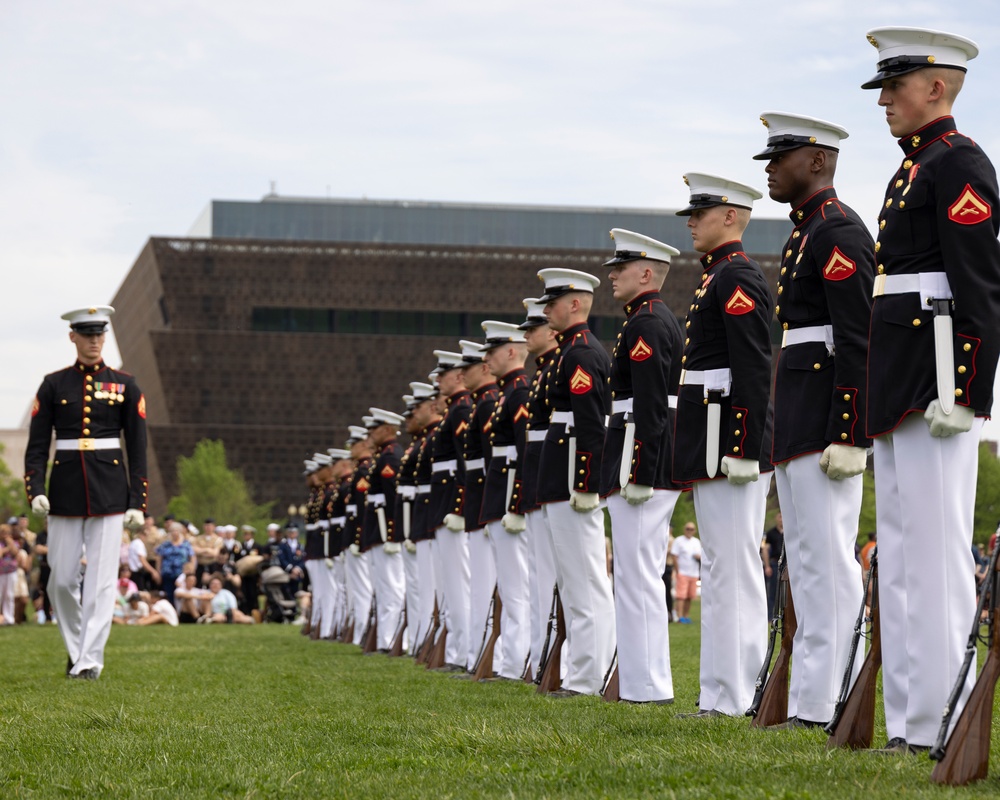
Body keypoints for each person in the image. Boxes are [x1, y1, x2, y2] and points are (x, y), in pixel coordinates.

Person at [861, 27, 1000, 754]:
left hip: (937, 379)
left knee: (939, 553)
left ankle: (944, 717)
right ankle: (911, 722)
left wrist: (969, 391)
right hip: (902, 375)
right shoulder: (914, 169)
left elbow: (980, 286)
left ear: (936, 88)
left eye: (896, 86)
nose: (884, 100)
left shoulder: (958, 163)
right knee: (906, 552)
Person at [752, 111, 875, 728]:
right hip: (799, 411)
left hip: (826, 413)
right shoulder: (805, 234)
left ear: (819, 161)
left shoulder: (838, 232)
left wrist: (850, 431)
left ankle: (834, 698)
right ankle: (810, 699)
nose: (770, 169)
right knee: (804, 557)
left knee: (828, 560)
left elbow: (858, 337)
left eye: (781, 158)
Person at [673, 174, 773, 717]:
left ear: (731, 216)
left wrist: (744, 447)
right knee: (718, 567)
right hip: (710, 435)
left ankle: (736, 695)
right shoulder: (717, 277)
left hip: (727, 440)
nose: (691, 222)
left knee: (732, 567)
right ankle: (717, 690)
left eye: (701, 213)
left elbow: (754, 368)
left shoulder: (736, 277)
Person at [24, 305, 147, 679]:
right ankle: (78, 649)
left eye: (99, 335)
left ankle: (90, 661)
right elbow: (37, 446)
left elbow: (138, 447)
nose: (94, 341)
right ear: (72, 336)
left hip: (110, 490)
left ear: (104, 338)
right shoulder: (53, 384)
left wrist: (137, 502)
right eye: (87, 334)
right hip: (64, 491)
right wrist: (35, 490)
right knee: (60, 579)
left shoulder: (125, 384)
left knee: (100, 581)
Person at [600, 229, 686, 704]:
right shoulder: (644, 320)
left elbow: (651, 406)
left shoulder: (648, 324)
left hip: (643, 460)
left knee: (638, 574)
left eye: (622, 267)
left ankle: (647, 686)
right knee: (634, 574)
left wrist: (639, 470)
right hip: (640, 455)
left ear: (647, 273)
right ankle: (638, 681)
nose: (612, 275)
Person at [535, 267, 616, 697]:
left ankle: (587, 677)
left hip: (572, 480)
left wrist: (585, 484)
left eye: (552, 302)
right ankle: (584, 672)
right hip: (561, 477)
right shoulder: (569, 352)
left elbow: (590, 426)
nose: (546, 309)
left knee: (585, 582)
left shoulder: (582, 353)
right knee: (575, 581)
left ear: (575, 304)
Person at [505, 298, 560, 681]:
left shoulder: (558, 368)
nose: (527, 336)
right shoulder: (543, 373)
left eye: (533, 328)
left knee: (550, 579)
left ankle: (552, 660)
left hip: (554, 482)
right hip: (540, 485)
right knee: (537, 580)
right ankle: (541, 659)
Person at [480, 321, 532, 681]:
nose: (486, 360)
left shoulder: (518, 393)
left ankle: (516, 664)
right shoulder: (506, 394)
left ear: (512, 351)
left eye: (492, 351)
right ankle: (509, 661)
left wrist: (515, 504)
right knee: (510, 588)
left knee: (517, 590)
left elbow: (523, 453)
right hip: (499, 498)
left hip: (508, 500)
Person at [427, 350, 473, 672]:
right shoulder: (453, 411)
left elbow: (463, 462)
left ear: (458, 376)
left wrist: (458, 507)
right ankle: (457, 650)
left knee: (459, 584)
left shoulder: (460, 411)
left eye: (443, 374)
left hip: (452, 507)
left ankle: (462, 652)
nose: (437, 380)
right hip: (443, 504)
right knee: (451, 585)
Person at [456, 339, 500, 672]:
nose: (461, 375)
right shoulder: (478, 406)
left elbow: (489, 465)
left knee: (483, 586)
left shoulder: (486, 405)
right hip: (479, 506)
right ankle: (476, 654)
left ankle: (484, 655)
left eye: (467, 368)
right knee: (477, 586)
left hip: (487, 504)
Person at [364, 408, 406, 651]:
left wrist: (392, 532)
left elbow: (392, 499)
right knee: (384, 587)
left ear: (389, 429)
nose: (371, 433)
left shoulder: (390, 456)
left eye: (375, 428)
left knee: (392, 587)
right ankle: (385, 638)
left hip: (385, 530)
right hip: (378, 530)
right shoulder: (384, 455)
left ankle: (391, 639)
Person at [156, 521, 196, 606]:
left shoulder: (186, 544)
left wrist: (191, 570)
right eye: (172, 531)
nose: (174, 533)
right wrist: (158, 572)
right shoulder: (165, 544)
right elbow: (159, 558)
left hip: (181, 574)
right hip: (167, 573)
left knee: (180, 593)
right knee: (169, 594)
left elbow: (192, 557)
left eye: (176, 530)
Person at [670, 522, 702, 624]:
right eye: (688, 528)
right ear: (684, 529)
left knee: (690, 596)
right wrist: (678, 571)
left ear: (694, 531)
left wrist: (698, 557)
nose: (689, 531)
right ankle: (679, 617)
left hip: (694, 573)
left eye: (691, 529)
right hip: (683, 572)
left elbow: (701, 556)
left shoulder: (697, 542)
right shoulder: (679, 541)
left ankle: (686, 615)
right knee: (681, 596)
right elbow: (674, 556)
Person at [761, 512, 784, 621]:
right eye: (780, 517)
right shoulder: (771, 533)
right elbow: (765, 549)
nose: (782, 519)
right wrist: (767, 566)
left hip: (788, 565)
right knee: (772, 592)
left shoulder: (791, 533)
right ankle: (770, 617)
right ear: (776, 518)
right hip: (775, 564)